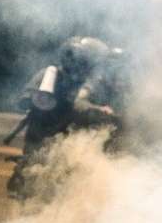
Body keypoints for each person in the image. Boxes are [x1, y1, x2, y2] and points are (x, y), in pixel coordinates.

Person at [7, 36, 116, 199]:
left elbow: (81, 106)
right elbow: (23, 101)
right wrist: (36, 98)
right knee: (31, 179)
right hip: (42, 136)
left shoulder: (89, 84)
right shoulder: (50, 75)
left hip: (69, 139)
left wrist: (98, 111)